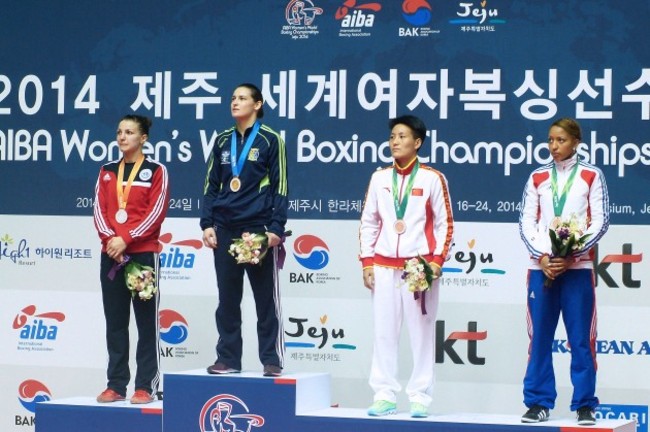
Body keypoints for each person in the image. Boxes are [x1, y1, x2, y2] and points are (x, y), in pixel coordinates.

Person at [359, 115, 454, 418]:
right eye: (392, 137)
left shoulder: (432, 178)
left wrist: (436, 262)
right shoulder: (379, 178)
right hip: (384, 266)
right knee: (384, 333)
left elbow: (445, 224)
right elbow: (369, 222)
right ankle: (384, 394)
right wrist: (367, 261)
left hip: (419, 269)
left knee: (422, 334)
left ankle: (420, 397)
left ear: (418, 142)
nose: (395, 142)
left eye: (402, 136)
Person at [519, 118, 609, 425]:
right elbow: (527, 223)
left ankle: (584, 404)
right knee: (540, 338)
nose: (553, 147)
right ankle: (539, 402)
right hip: (541, 268)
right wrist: (543, 256)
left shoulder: (591, 175)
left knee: (581, 339)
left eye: (560, 141)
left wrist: (572, 251)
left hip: (577, 268)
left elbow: (600, 221)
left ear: (576, 142)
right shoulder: (537, 177)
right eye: (550, 141)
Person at [200, 83, 288, 378]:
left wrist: (275, 227)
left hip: (256, 228)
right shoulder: (223, 140)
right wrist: (207, 223)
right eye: (232, 97)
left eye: (242, 98)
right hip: (225, 226)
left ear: (258, 104)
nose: (235, 102)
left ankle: (271, 358)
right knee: (227, 298)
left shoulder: (270, 139)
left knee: (265, 299)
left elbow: (281, 186)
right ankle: (228, 358)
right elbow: (211, 185)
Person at [93, 114, 169, 404]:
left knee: (146, 323)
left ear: (143, 138)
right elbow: (99, 210)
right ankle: (115, 384)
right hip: (111, 256)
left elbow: (156, 211)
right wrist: (110, 240)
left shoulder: (156, 170)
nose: (122, 137)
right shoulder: (107, 170)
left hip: (142, 255)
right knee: (115, 322)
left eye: (129, 132)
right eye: (119, 131)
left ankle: (145, 386)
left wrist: (127, 238)